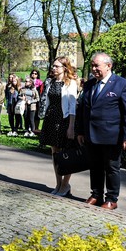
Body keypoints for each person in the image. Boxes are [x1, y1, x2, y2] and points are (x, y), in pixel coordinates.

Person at [75, 52, 126, 209]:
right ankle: (96, 194)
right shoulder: (89, 85)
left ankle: (111, 198)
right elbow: (82, 110)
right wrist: (80, 131)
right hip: (91, 134)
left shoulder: (122, 85)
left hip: (112, 135)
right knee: (95, 166)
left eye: (97, 65)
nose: (94, 69)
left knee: (111, 168)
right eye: (92, 65)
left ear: (109, 66)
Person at [40, 56, 79, 197]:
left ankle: (65, 184)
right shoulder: (50, 82)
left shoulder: (70, 83)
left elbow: (73, 106)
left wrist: (71, 126)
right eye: (53, 66)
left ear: (64, 68)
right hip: (51, 119)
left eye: (57, 66)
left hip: (64, 119)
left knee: (66, 153)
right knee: (55, 153)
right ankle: (58, 183)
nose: (54, 68)